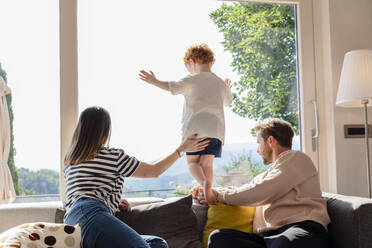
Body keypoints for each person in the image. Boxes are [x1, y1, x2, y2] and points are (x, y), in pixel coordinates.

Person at [63, 106, 210, 248]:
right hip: (92, 213)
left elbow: (84, 190)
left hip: (73, 223)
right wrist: (181, 150)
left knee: (157, 243)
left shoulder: (71, 161)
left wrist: (113, 201)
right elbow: (154, 171)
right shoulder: (113, 156)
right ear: (104, 131)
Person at [196, 118, 331, 248]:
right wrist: (207, 191)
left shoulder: (297, 159)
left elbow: (261, 191)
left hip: (299, 229)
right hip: (266, 239)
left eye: (258, 142)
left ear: (270, 140)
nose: (257, 150)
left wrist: (219, 196)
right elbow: (245, 190)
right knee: (218, 238)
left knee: (286, 243)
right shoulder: (267, 176)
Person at [139, 44, 233, 205]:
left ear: (192, 61)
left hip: (195, 131)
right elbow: (228, 101)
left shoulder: (192, 79)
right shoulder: (219, 83)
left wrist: (154, 81)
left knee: (192, 163)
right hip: (215, 131)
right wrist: (227, 89)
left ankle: (203, 183)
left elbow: (171, 87)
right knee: (207, 163)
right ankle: (208, 188)